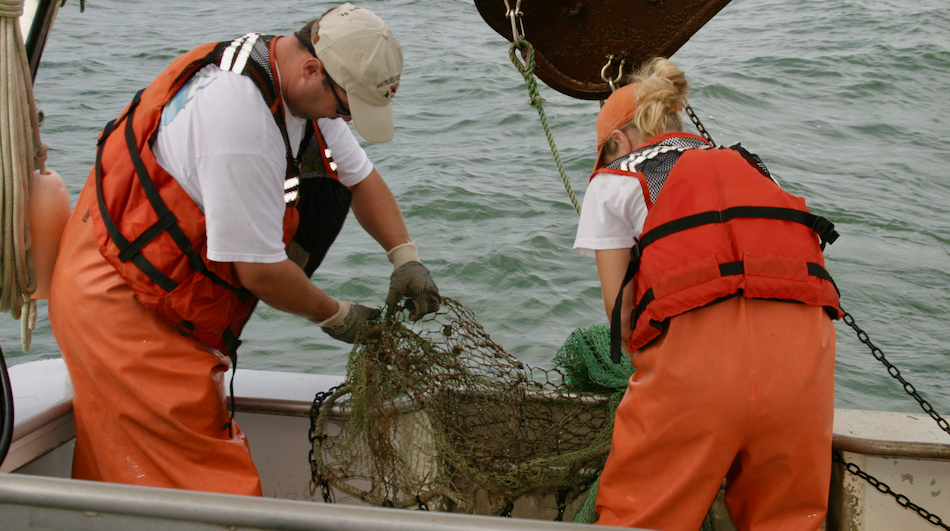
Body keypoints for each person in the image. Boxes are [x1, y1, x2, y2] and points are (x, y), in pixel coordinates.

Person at [48, 3, 440, 496]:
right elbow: (258, 272)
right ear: (313, 69)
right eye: (345, 107)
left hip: (168, 296)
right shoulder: (241, 121)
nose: (345, 118)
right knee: (213, 498)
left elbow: (360, 178)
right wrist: (338, 315)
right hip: (120, 302)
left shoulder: (296, 85)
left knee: (153, 482)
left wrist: (406, 257)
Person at [573, 57, 843, 530]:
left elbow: (623, 314)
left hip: (699, 369)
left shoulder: (615, 180)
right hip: (804, 359)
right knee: (787, 520)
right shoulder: (750, 167)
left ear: (617, 142)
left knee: (641, 517)